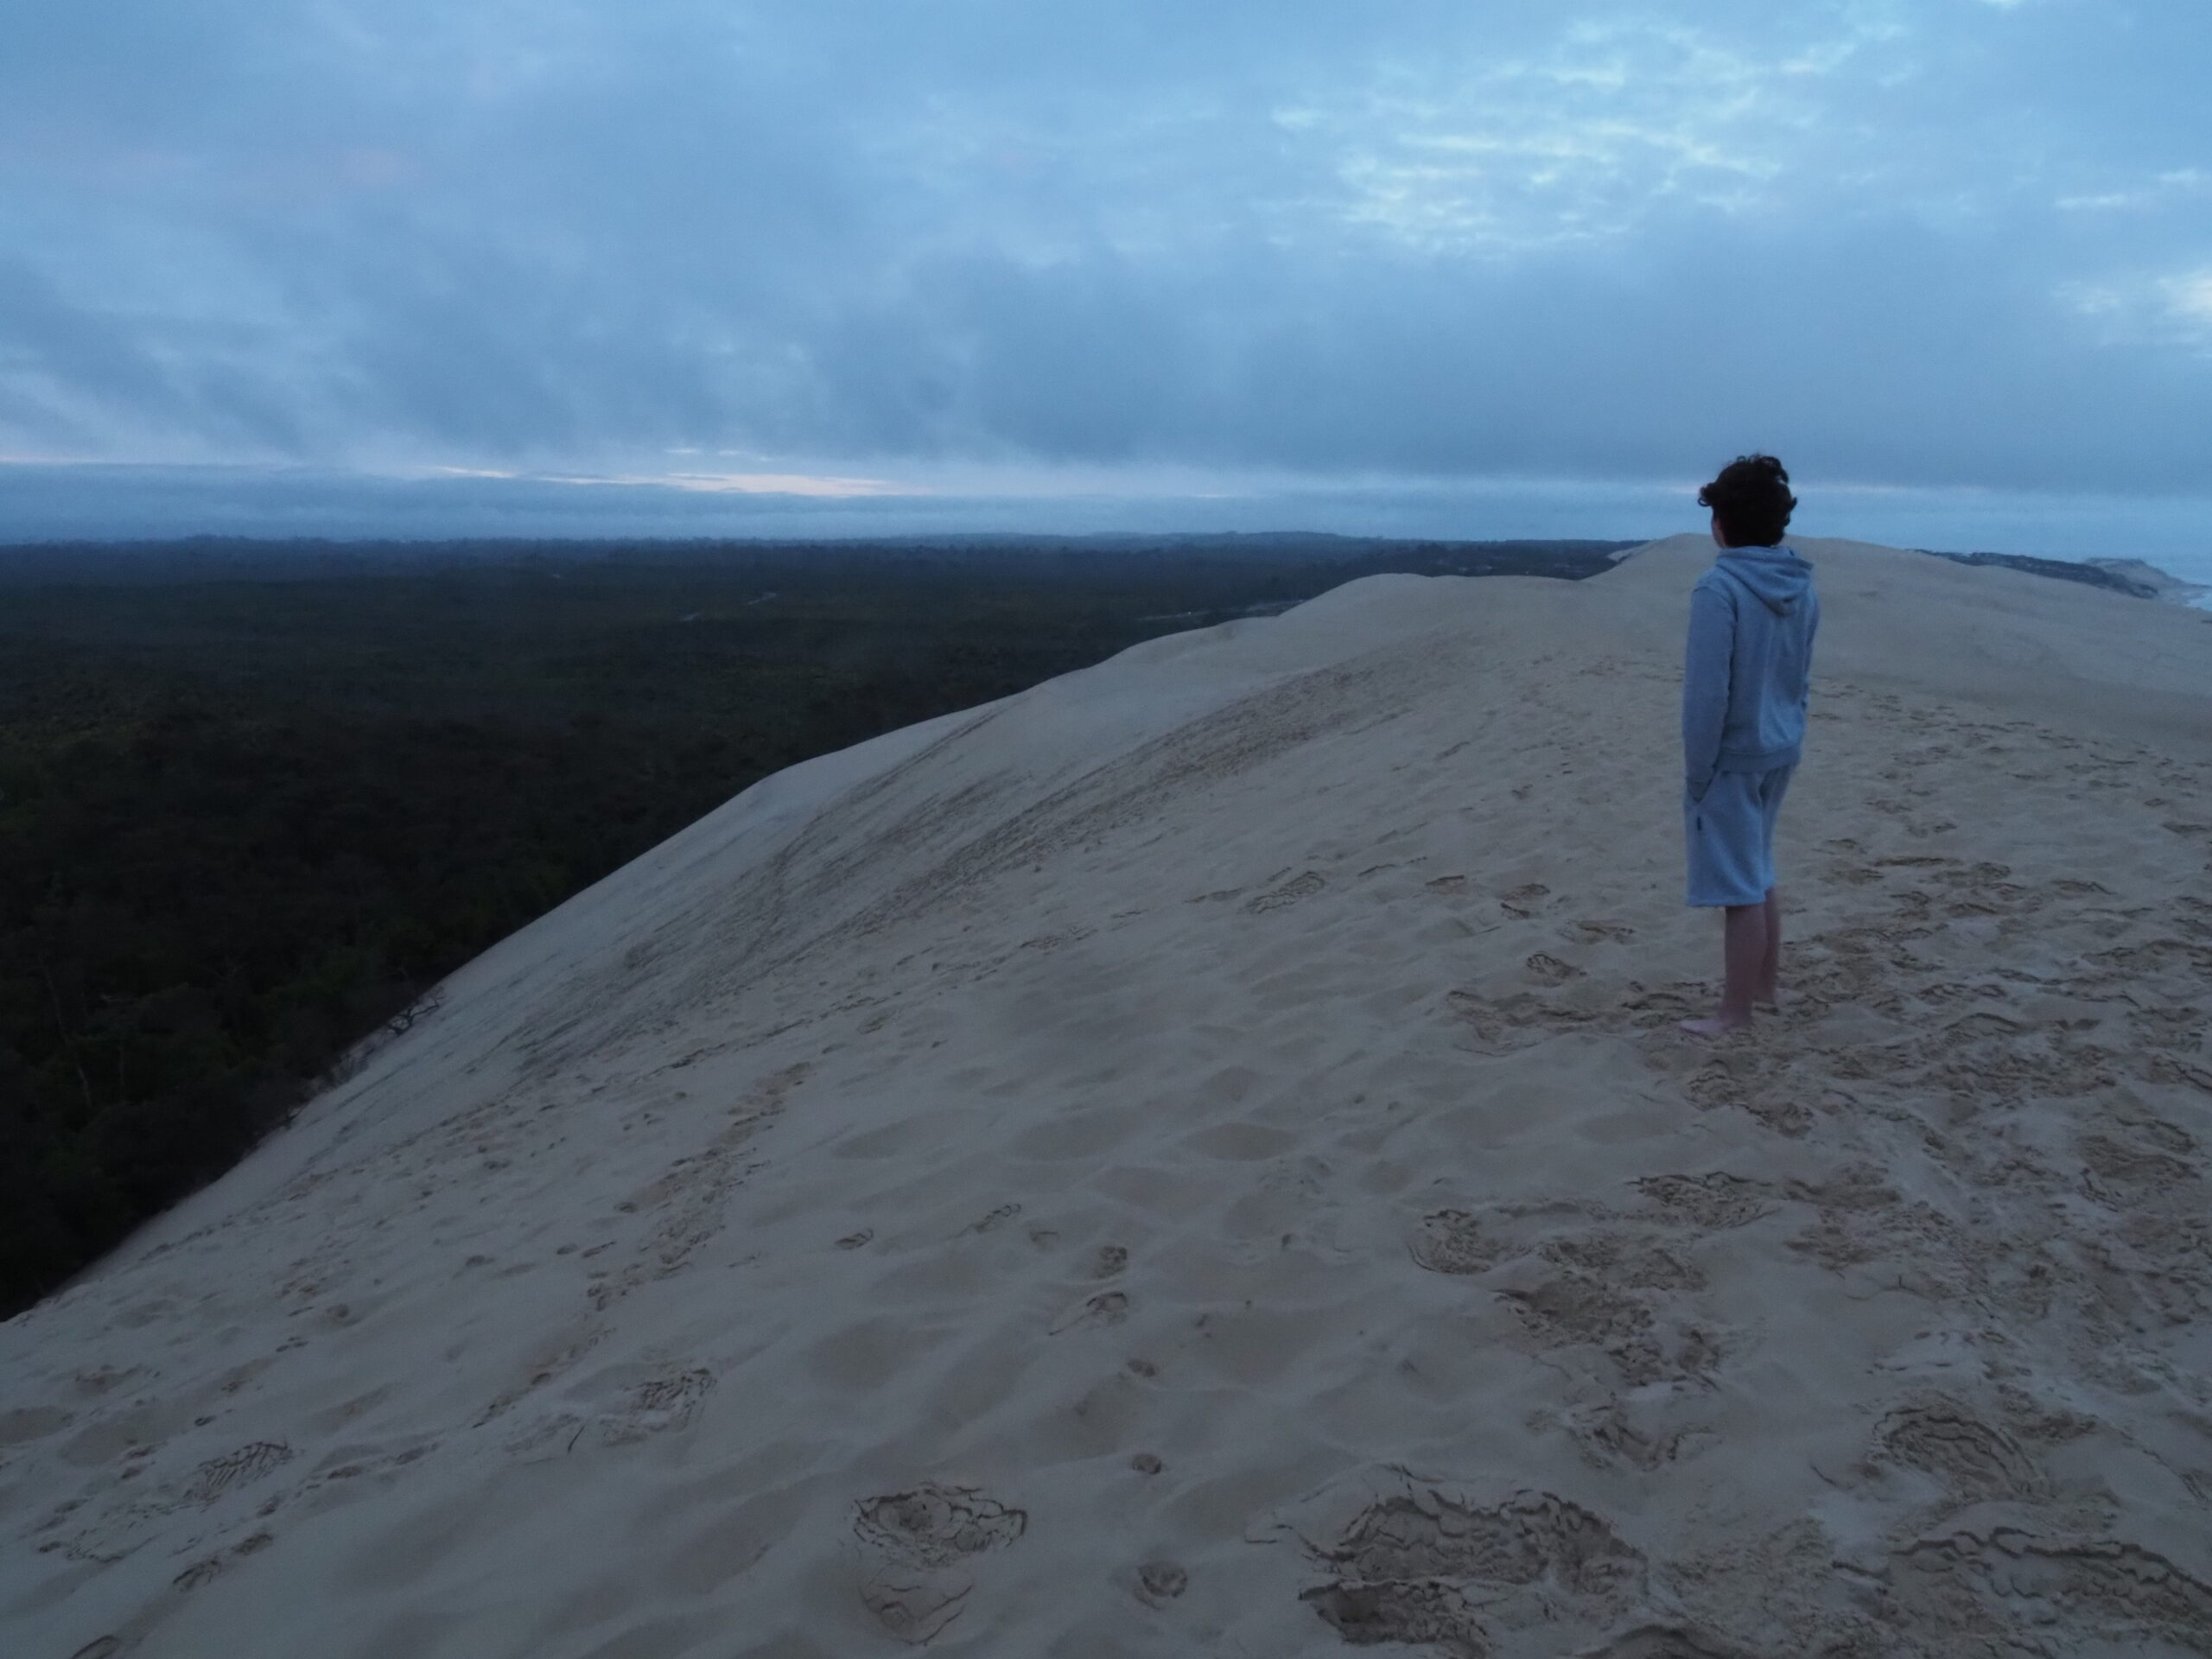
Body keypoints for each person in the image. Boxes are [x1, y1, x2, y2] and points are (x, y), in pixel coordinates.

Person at [1679, 454, 1819, 1036]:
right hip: (1780, 747)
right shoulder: (1801, 582)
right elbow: (1801, 672)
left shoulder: (1719, 588)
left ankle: (1734, 1016)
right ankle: (1763, 989)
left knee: (1739, 885)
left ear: (1722, 524)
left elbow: (1708, 693)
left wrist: (1698, 770)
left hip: (1733, 758)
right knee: (1758, 871)